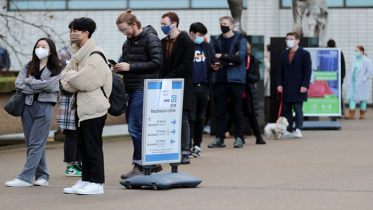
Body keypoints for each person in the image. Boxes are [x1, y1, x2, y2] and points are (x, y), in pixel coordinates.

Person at [61, 17, 112, 195]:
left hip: (94, 106)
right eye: (71, 31)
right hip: (82, 106)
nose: (71, 34)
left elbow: (82, 81)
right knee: (82, 145)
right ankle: (87, 179)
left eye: (75, 31)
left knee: (93, 146)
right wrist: (73, 76)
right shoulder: (78, 55)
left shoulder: (96, 54)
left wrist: (73, 76)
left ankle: (98, 183)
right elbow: (65, 79)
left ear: (86, 33)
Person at [5, 38, 62, 187]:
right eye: (37, 46)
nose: (40, 48)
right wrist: (37, 85)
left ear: (50, 50)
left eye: (43, 46)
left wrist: (30, 82)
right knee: (33, 143)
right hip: (27, 106)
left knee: (36, 143)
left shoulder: (57, 67)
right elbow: (18, 84)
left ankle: (25, 177)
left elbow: (51, 86)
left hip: (44, 107)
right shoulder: (29, 66)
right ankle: (42, 176)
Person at [113, 9, 163, 179]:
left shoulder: (151, 38)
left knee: (135, 127)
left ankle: (140, 164)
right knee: (137, 127)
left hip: (144, 89)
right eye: (121, 31)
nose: (124, 33)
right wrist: (120, 68)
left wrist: (130, 67)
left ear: (135, 25)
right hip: (132, 88)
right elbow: (130, 64)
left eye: (125, 29)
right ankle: (150, 161)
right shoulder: (127, 43)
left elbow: (157, 63)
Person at [159, 12, 194, 164]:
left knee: (182, 119)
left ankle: (185, 151)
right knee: (166, 117)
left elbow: (186, 65)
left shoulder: (187, 42)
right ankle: (169, 149)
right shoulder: (162, 42)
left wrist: (168, 78)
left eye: (164, 24)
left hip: (181, 84)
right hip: (165, 85)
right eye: (161, 24)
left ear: (174, 24)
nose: (162, 27)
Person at [208, 16, 247, 149]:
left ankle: (239, 138)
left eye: (224, 24)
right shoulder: (215, 40)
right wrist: (229, 61)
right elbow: (212, 57)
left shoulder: (241, 39)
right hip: (219, 80)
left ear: (232, 25)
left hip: (236, 80)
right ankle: (220, 138)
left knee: (237, 110)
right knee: (220, 111)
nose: (222, 26)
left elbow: (240, 58)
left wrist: (221, 56)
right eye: (220, 24)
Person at [277, 31, 311, 138]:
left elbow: (307, 71)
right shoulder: (284, 54)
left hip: (299, 86)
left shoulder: (304, 54)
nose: (289, 41)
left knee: (297, 109)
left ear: (297, 41)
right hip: (286, 85)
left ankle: (298, 128)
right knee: (286, 109)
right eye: (287, 39)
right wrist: (279, 84)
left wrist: (305, 85)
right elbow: (280, 70)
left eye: (291, 39)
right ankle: (289, 128)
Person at [188, 22, 214, 158]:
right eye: (199, 35)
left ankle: (197, 145)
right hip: (191, 87)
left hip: (204, 87)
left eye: (204, 35)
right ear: (192, 33)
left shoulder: (206, 46)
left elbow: (211, 61)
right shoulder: (186, 45)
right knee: (190, 118)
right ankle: (187, 146)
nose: (202, 38)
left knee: (200, 118)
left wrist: (214, 65)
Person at [57, 42, 82, 177]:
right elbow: (58, 76)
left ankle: (78, 162)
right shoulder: (63, 53)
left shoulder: (89, 51)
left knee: (81, 133)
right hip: (68, 99)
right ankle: (70, 165)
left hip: (84, 98)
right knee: (71, 134)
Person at [243, 43, 266, 144]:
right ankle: (239, 136)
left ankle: (258, 136)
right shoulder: (235, 60)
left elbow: (256, 77)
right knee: (236, 113)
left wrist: (246, 76)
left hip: (248, 89)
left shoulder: (253, 61)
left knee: (251, 113)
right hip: (237, 88)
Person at [344, 46, 372, 120]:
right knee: (351, 96)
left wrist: (364, 79)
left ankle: (362, 113)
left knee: (363, 98)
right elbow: (350, 70)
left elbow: (369, 72)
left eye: (357, 51)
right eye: (355, 51)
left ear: (362, 51)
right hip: (353, 81)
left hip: (362, 82)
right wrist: (348, 78)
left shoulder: (367, 61)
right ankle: (351, 113)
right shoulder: (354, 60)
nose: (355, 53)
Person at [326, 39, 346, 115]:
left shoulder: (338, 52)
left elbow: (342, 65)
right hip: (336, 77)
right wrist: (342, 76)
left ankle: (338, 109)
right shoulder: (339, 52)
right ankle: (339, 110)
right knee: (337, 94)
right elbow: (343, 66)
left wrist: (342, 76)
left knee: (335, 94)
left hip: (334, 77)